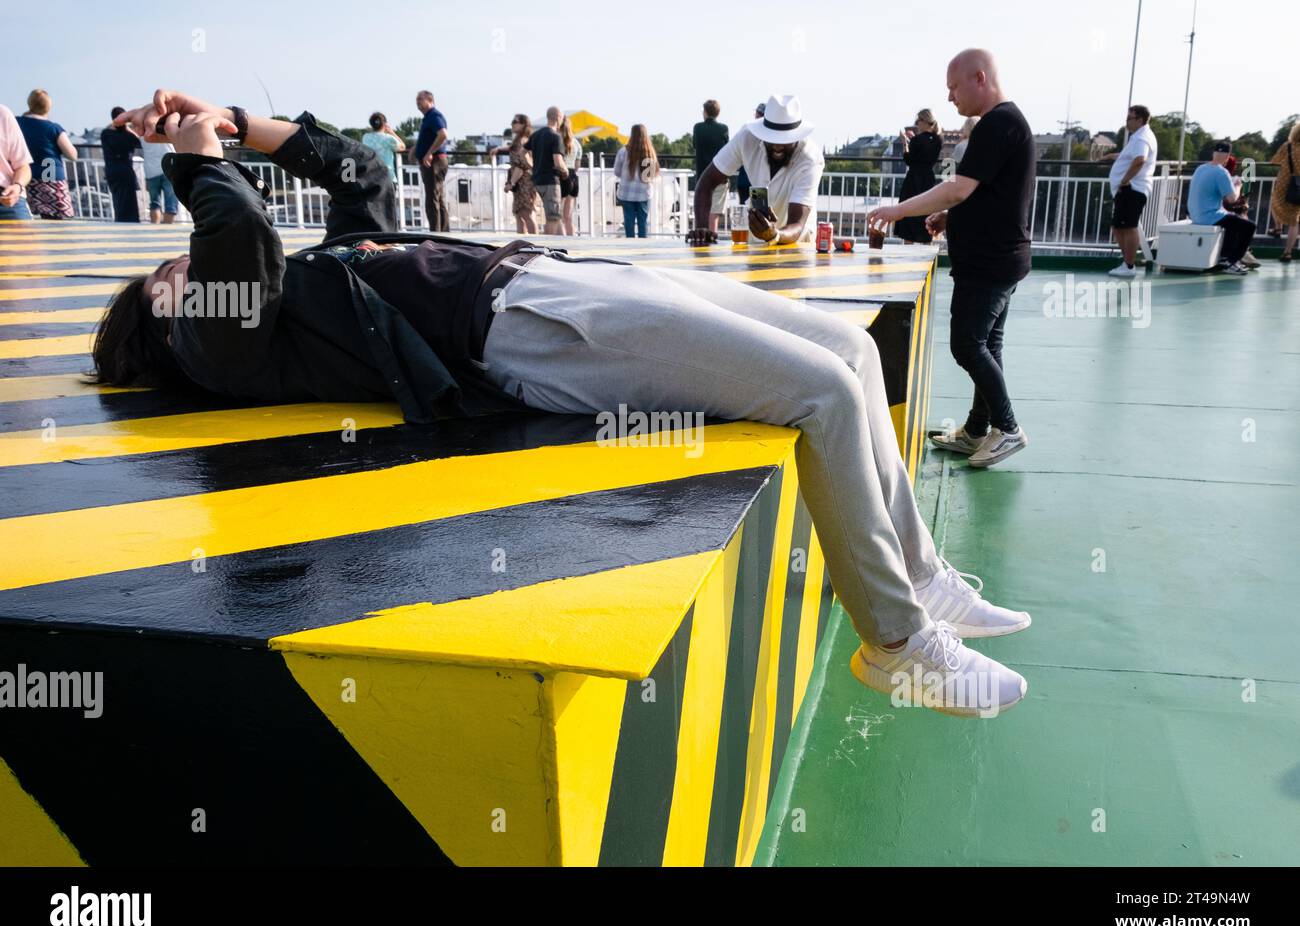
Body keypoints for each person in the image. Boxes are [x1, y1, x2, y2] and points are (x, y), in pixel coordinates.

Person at [99, 88, 1034, 719]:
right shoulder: (221, 342)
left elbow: (360, 175)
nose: (176, 271)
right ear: (165, 331)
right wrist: (195, 164)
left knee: (849, 350)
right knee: (822, 392)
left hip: (555, 277)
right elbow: (241, 242)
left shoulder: (314, 280)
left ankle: (918, 570)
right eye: (164, 285)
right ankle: (896, 643)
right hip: (530, 329)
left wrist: (227, 117)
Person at [868, 49, 1034, 469]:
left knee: (967, 344)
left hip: (990, 261)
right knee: (988, 345)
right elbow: (985, 193)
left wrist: (899, 210)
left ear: (979, 78)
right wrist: (950, 216)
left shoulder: (998, 123)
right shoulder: (1003, 123)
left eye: (953, 87)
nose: (949, 98)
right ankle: (979, 429)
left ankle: (1008, 427)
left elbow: (959, 187)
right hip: (1000, 257)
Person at [688, 94, 824, 247]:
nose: (777, 146)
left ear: (797, 137)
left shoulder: (811, 158)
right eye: (772, 138)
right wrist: (702, 228)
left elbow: (797, 224)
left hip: (797, 244)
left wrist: (775, 234)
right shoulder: (747, 138)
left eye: (784, 141)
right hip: (757, 240)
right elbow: (707, 182)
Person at [1099, 105, 1157, 277]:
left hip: (1132, 188)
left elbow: (1140, 160)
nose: (1127, 123)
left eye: (1129, 119)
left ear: (1139, 119)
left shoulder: (1141, 138)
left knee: (1128, 227)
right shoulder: (1139, 137)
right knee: (1118, 227)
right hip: (1129, 189)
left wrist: (1125, 180)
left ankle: (1129, 266)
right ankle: (1127, 263)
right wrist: (1111, 157)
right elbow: (1129, 156)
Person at [1188, 141, 1255, 276]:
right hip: (1208, 217)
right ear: (1228, 156)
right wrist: (1237, 185)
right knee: (1249, 226)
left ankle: (1224, 258)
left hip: (1195, 214)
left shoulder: (1200, 168)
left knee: (1231, 223)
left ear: (1214, 153)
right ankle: (1232, 262)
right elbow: (1232, 199)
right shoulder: (1221, 172)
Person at [16, 89, 77, 219]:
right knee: (57, 218)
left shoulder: (17, 122)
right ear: (48, 106)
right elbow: (72, 155)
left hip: (25, 175)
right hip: (49, 174)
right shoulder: (53, 128)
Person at [894, 109, 943, 244]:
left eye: (918, 121)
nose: (916, 124)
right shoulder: (938, 140)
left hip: (914, 179)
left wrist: (905, 142)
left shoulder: (917, 140)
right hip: (928, 179)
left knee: (909, 212)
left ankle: (908, 253)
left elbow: (910, 160)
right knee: (927, 212)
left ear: (924, 121)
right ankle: (927, 247)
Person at [488, 114, 540, 235]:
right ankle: (524, 242)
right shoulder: (522, 140)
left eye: (514, 122)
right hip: (524, 181)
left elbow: (521, 165)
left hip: (523, 182)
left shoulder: (521, 141)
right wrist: (499, 149)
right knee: (520, 215)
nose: (512, 124)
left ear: (523, 124)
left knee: (526, 214)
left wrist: (511, 183)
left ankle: (535, 242)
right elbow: (512, 149)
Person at [613, 125, 658, 238]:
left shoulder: (623, 151)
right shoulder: (649, 152)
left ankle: (630, 246)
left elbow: (617, 172)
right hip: (644, 194)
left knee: (628, 222)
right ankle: (642, 247)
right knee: (643, 222)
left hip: (626, 193)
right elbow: (650, 176)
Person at [530, 106, 568, 237]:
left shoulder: (536, 135)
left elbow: (523, 152)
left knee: (551, 217)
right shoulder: (555, 137)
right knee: (553, 217)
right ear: (558, 118)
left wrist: (532, 166)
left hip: (537, 179)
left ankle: (559, 244)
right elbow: (558, 161)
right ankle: (548, 246)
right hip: (551, 181)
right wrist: (565, 170)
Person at [413, 90, 448, 231]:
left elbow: (442, 135)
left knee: (432, 198)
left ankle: (437, 233)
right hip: (433, 162)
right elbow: (430, 137)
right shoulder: (428, 117)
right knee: (437, 198)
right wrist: (416, 149)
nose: (417, 102)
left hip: (434, 163)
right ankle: (442, 232)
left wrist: (428, 153)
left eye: (420, 99)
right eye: (417, 100)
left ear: (430, 100)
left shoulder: (434, 116)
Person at [693, 99, 730, 233]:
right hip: (720, 173)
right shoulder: (724, 129)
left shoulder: (697, 128)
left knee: (702, 208)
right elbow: (727, 149)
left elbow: (695, 145)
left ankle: (702, 237)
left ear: (705, 112)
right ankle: (712, 236)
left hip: (702, 174)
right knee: (714, 212)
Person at [101, 107, 141, 222]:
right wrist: (128, 128)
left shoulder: (106, 134)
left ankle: (120, 222)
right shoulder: (128, 136)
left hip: (112, 171)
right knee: (131, 205)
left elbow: (109, 128)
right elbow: (139, 142)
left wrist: (114, 124)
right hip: (126, 171)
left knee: (118, 202)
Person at [1270, 121, 1300, 264]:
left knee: (1275, 203)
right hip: (1299, 188)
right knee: (1294, 221)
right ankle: (1287, 253)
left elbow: (1274, 161)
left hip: (1284, 184)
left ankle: (1277, 227)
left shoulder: (1287, 146)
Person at [0, 103, 34, 221]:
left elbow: (23, 167)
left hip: (5, 199)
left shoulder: (3, 114)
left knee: (24, 239)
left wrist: (17, 186)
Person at [140, 139, 178, 223]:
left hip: (151, 171)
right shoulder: (167, 128)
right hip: (169, 168)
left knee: (154, 204)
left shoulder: (144, 133)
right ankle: (167, 232)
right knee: (171, 204)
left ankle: (155, 229)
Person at [362, 112, 406, 184]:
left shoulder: (366, 137)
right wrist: (392, 133)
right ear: (385, 124)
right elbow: (403, 147)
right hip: (387, 177)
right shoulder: (388, 138)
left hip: (370, 176)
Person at [558, 113, 582, 236]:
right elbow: (577, 165)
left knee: (558, 216)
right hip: (573, 177)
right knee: (568, 217)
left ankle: (561, 242)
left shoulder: (558, 140)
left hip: (562, 176)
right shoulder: (576, 143)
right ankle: (572, 240)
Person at [735, 102, 764, 205]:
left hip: (744, 181)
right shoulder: (767, 136)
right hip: (758, 183)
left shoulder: (747, 130)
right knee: (759, 211)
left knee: (744, 211)